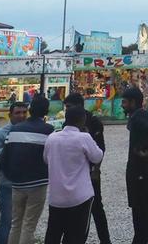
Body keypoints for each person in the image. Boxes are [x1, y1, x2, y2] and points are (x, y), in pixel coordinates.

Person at [44, 106, 104, 244]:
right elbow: (97, 156)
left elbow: (46, 159)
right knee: (76, 235)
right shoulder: (83, 137)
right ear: (83, 120)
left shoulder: (52, 138)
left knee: (53, 233)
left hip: (56, 197)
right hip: (80, 197)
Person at [2, 95, 54, 244]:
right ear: (46, 111)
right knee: (29, 224)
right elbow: (51, 157)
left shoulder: (14, 130)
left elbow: (5, 157)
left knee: (16, 222)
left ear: (30, 110)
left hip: (17, 183)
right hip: (37, 182)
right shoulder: (48, 130)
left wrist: (11, 176)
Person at [64, 93, 111, 244]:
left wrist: (96, 170)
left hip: (90, 173)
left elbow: (100, 149)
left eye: (69, 107)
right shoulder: (68, 124)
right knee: (75, 210)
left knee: (97, 207)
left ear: (79, 106)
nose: (66, 111)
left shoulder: (94, 122)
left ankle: (105, 240)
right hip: (74, 173)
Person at [121, 86, 148, 244]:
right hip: (143, 173)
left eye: (124, 102)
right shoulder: (141, 114)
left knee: (145, 218)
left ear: (133, 102)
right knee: (147, 218)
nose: (122, 105)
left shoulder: (137, 118)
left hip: (141, 176)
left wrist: (142, 148)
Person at [0, 101, 28, 244]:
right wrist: (8, 147)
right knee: (7, 220)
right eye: (18, 113)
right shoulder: (1, 133)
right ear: (10, 115)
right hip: (7, 184)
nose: (21, 115)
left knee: (24, 222)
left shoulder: (29, 131)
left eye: (24, 112)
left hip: (27, 184)